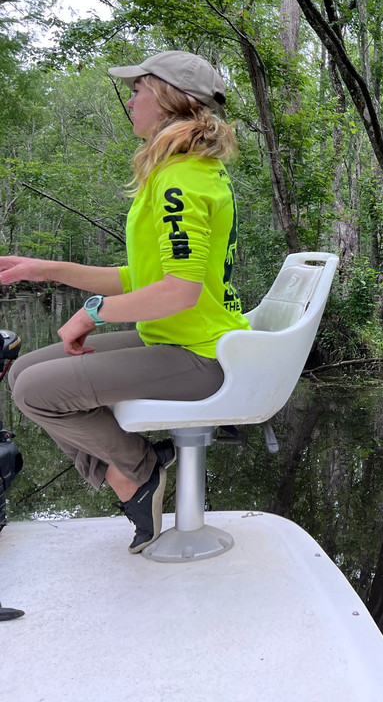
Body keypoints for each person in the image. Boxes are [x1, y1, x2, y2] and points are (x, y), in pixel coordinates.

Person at [0, 50, 248, 554]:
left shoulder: (181, 179)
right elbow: (140, 276)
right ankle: (133, 468)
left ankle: (136, 472)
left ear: (165, 97)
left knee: (36, 393)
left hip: (201, 354)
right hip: (177, 340)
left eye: (138, 89)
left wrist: (91, 313)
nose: (130, 100)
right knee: (23, 371)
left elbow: (180, 291)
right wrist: (42, 268)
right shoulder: (177, 171)